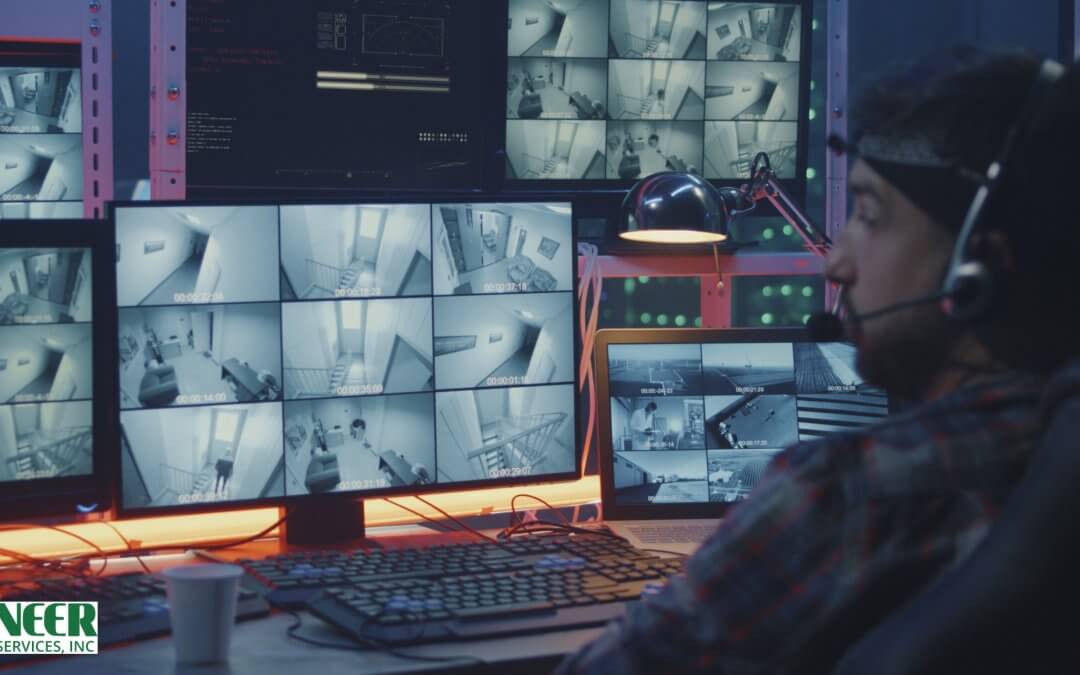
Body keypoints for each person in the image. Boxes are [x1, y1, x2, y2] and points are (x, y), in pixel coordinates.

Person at [558, 48, 1080, 674]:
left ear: (980, 266)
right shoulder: (1049, 453)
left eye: (868, 214)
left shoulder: (846, 493)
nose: (836, 264)